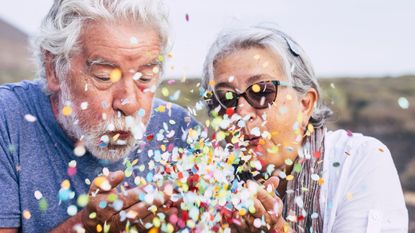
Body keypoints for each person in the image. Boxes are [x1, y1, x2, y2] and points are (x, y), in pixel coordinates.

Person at [0, 0, 199, 232]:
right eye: (104, 77)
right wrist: (86, 226)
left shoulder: (179, 132)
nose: (130, 103)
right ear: (53, 68)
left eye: (145, 78)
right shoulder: (7, 121)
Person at [202, 24, 408, 232]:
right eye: (225, 98)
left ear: (305, 104)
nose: (241, 113)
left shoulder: (358, 159)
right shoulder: (205, 179)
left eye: (261, 91)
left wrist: (277, 229)